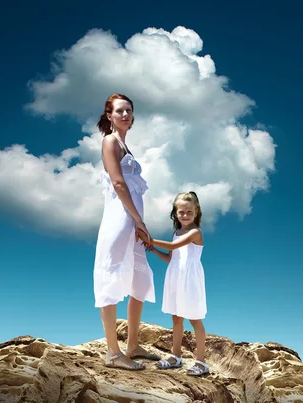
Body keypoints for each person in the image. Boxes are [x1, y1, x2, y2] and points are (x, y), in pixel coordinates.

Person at [93, 93, 161, 370]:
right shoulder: (110, 141)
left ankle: (132, 345)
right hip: (121, 219)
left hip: (132, 219)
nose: (125, 115)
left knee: (139, 281)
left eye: (129, 111)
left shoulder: (125, 145)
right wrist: (138, 220)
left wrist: (138, 221)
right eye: (120, 111)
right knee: (111, 278)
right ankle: (113, 353)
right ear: (109, 115)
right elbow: (119, 184)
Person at [142, 191, 210, 376]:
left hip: (190, 279)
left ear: (196, 212)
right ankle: (176, 356)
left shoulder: (195, 233)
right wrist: (153, 248)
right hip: (176, 277)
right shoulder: (176, 233)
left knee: (194, 319)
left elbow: (173, 247)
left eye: (189, 212)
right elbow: (170, 258)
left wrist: (147, 237)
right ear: (175, 213)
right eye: (181, 212)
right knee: (176, 318)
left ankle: (202, 362)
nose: (185, 215)